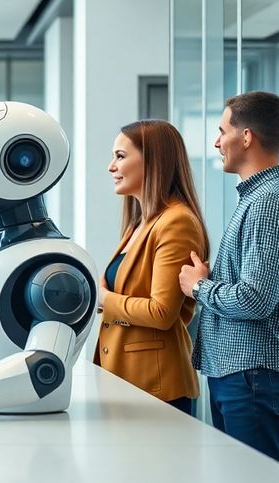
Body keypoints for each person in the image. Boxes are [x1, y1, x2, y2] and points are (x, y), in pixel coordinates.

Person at [179, 91, 279, 464]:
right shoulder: (259, 198)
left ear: (246, 137)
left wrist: (198, 286)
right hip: (245, 374)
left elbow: (255, 299)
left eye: (221, 131)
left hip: (252, 375)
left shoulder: (269, 203)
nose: (216, 142)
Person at [95, 120, 208, 415]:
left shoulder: (176, 222)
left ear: (153, 161)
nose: (111, 166)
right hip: (125, 378)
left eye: (120, 156)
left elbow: (162, 313)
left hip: (157, 386)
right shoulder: (139, 222)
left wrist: (106, 299)